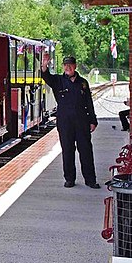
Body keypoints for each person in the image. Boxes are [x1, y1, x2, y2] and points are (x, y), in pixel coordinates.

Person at [41, 53, 100, 189]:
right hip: (65, 122)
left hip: (82, 122)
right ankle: (69, 179)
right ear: (63, 67)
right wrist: (44, 65)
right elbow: (46, 76)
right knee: (67, 151)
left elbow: (88, 103)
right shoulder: (58, 81)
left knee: (86, 151)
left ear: (75, 66)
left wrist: (93, 120)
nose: (68, 67)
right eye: (65, 65)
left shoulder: (83, 83)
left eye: (70, 65)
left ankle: (90, 180)